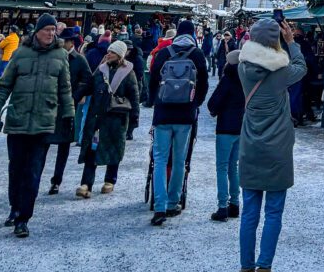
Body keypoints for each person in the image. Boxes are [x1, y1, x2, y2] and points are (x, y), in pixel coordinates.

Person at [0, 13, 74, 239]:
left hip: (44, 122)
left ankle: (23, 218)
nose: (50, 34)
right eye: (47, 30)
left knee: (33, 172)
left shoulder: (60, 55)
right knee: (16, 169)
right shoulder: (21, 53)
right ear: (37, 31)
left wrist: (69, 115)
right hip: (17, 121)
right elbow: (5, 85)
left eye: (53, 30)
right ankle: (14, 206)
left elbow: (65, 89)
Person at [238, 17, 307, 271]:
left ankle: (246, 265)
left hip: (250, 147)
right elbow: (301, 67)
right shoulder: (282, 72)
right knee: (274, 213)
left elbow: (237, 55)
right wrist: (291, 41)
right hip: (278, 149)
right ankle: (264, 264)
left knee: (249, 213)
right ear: (276, 40)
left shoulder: (242, 68)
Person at [148, 18, 209, 225]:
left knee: (160, 159)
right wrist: (195, 103)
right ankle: (173, 202)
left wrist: (155, 100)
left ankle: (159, 205)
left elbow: (152, 79)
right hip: (185, 115)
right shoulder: (198, 55)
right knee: (180, 159)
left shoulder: (165, 53)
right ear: (192, 34)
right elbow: (204, 85)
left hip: (163, 113)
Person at [76, 39, 140, 197]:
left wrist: (134, 119)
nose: (108, 54)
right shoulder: (101, 69)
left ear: (119, 55)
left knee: (114, 149)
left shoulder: (128, 73)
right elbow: (89, 85)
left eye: (112, 52)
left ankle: (110, 180)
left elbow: (134, 96)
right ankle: (86, 184)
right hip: (97, 118)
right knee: (92, 150)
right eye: (109, 51)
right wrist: (75, 96)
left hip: (116, 119)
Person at [46, 27, 93, 194]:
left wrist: (75, 96)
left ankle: (56, 180)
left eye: (63, 41)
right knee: (42, 144)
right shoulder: (53, 57)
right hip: (50, 106)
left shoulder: (79, 60)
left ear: (70, 42)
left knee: (63, 146)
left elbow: (88, 81)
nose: (59, 43)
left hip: (67, 108)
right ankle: (35, 178)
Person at [207, 46, 245, 221]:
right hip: (241, 128)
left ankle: (222, 206)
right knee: (234, 166)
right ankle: (235, 204)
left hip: (225, 128)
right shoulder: (247, 79)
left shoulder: (228, 80)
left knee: (222, 167)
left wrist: (214, 110)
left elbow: (214, 102)